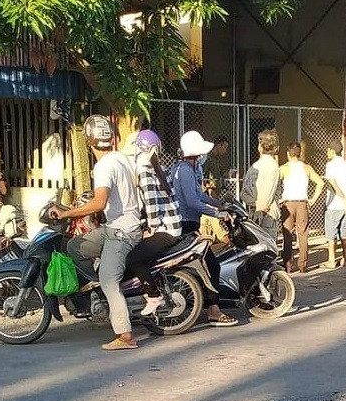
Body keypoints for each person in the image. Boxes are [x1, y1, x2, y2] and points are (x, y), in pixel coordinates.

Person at [52, 115, 142, 351]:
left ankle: (125, 336)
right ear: (111, 138)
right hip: (117, 226)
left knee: (109, 280)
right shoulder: (120, 158)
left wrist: (67, 214)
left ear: (89, 141)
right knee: (74, 246)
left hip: (121, 232)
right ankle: (101, 296)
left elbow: (100, 202)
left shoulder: (104, 166)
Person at [170, 130, 238, 326]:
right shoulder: (185, 170)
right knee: (212, 265)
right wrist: (217, 213)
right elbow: (192, 201)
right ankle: (214, 310)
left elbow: (199, 196)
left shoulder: (185, 168)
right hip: (187, 224)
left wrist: (219, 204)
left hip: (187, 223)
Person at [123, 129, 182, 318]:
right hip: (173, 227)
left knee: (132, 258)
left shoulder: (144, 171)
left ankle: (153, 295)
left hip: (164, 230)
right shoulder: (161, 168)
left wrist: (151, 229)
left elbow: (152, 203)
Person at [278, 142, 325, 273]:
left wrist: (278, 199)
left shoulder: (284, 168)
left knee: (287, 234)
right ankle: (303, 264)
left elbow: (276, 183)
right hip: (302, 203)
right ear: (299, 154)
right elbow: (320, 183)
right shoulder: (306, 168)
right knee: (303, 234)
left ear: (288, 154)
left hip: (288, 203)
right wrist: (312, 199)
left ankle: (287, 263)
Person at [241, 129, 281, 240]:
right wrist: (262, 206)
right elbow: (270, 192)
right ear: (276, 148)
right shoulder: (274, 167)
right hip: (268, 215)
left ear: (260, 147)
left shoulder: (253, 167)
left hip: (253, 214)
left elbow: (243, 193)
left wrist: (255, 203)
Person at [322, 140, 346, 268]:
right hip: (344, 207)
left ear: (332, 151)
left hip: (334, 204)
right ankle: (345, 259)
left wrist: (342, 196)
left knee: (331, 234)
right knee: (344, 233)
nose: (327, 152)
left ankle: (331, 260)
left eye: (328, 150)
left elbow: (332, 183)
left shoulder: (330, 165)